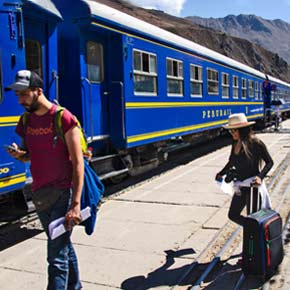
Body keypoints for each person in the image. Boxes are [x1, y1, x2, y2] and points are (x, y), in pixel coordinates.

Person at [5, 70, 84, 290]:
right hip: (40, 193)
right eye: (17, 95)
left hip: (62, 192)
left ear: (38, 91)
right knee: (61, 245)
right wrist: (19, 154)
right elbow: (29, 154)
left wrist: (75, 205)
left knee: (56, 256)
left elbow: (78, 164)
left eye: (23, 94)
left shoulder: (64, 118)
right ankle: (75, 287)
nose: (19, 100)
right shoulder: (26, 120)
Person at [215, 113, 273, 228]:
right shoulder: (235, 143)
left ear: (242, 130)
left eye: (234, 131)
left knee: (253, 216)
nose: (232, 133)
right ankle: (252, 229)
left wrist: (260, 177)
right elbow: (231, 161)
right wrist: (221, 173)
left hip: (253, 186)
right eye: (230, 131)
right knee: (233, 215)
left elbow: (270, 162)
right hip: (240, 186)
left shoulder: (256, 143)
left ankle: (255, 237)